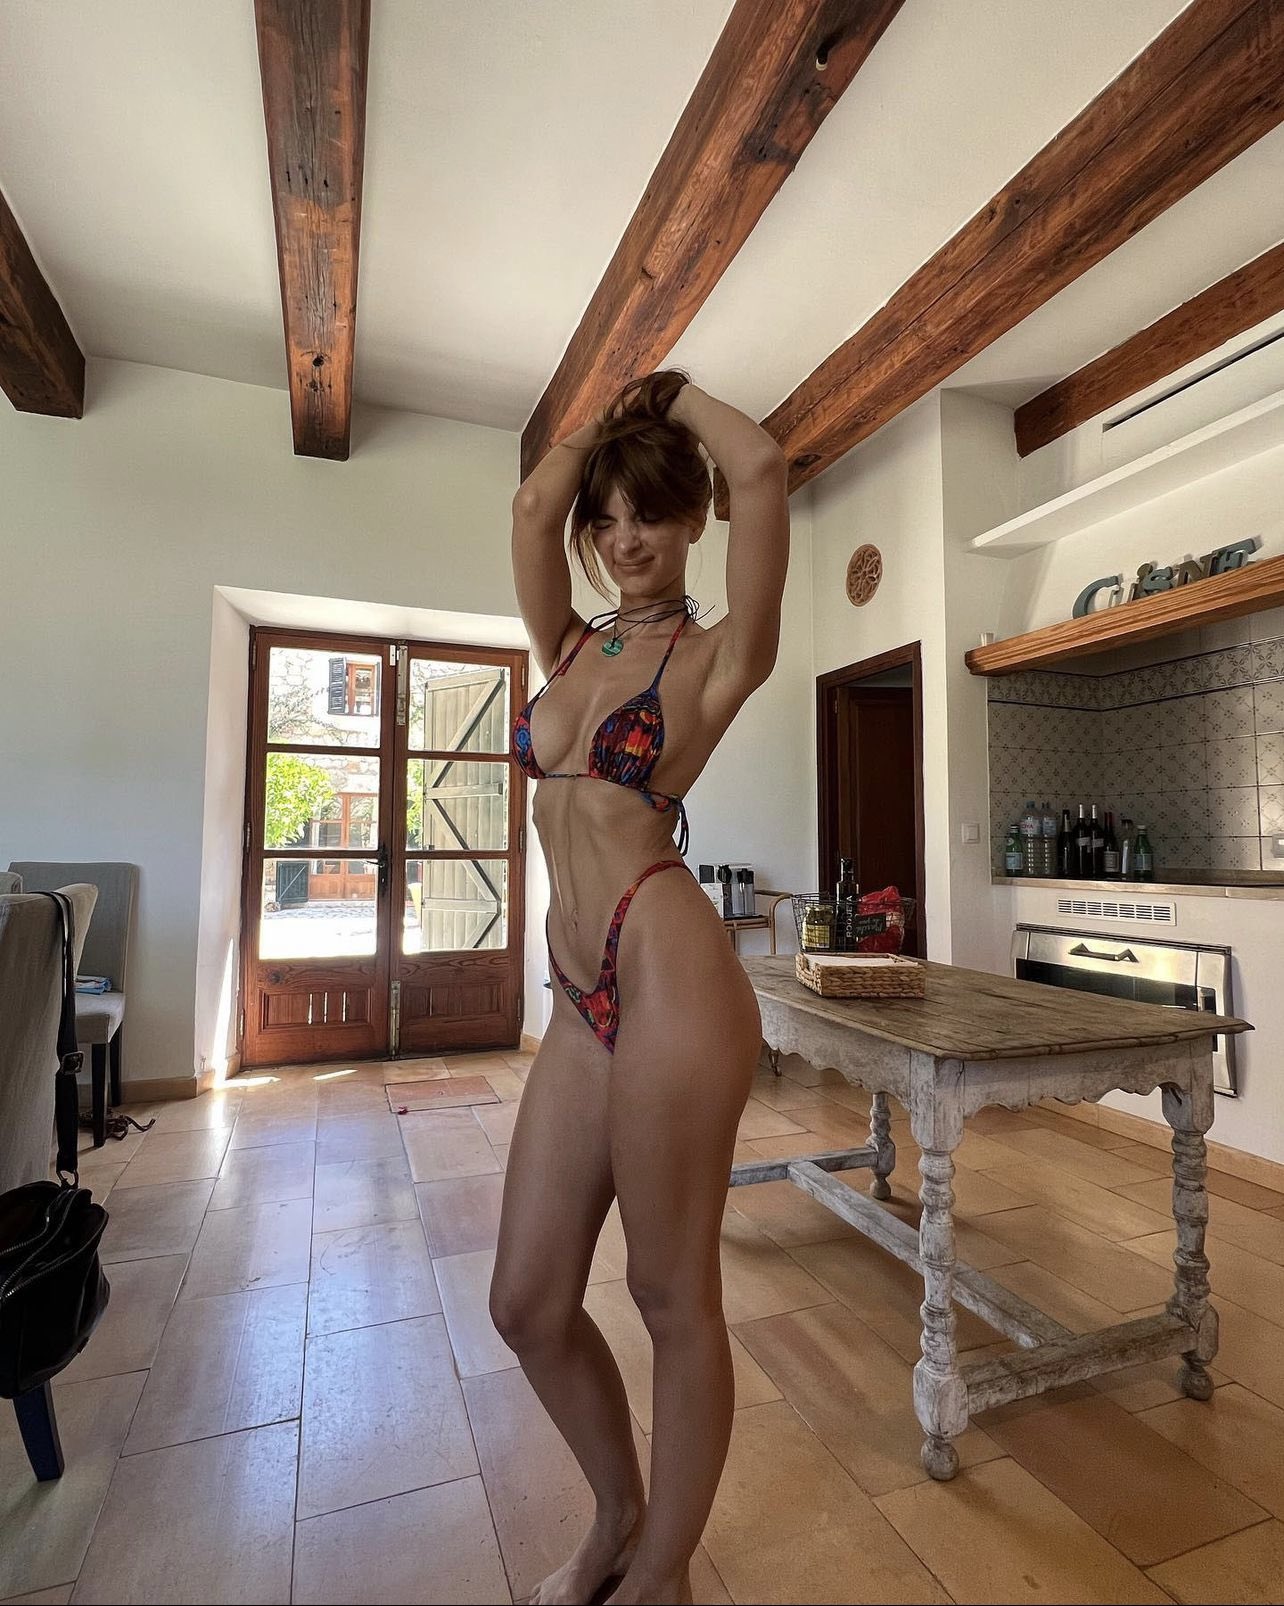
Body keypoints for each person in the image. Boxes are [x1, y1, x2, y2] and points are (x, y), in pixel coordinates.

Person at [492, 369, 789, 1606]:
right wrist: (600, 426)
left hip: (669, 971)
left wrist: (674, 395)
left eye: (653, 515)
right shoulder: (568, 644)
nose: (626, 540)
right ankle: (617, 1513)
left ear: (693, 521)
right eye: (609, 519)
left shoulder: (719, 658)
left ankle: (662, 1571)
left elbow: (762, 468)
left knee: (670, 1293)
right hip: (580, 995)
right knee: (527, 1301)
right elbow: (531, 508)